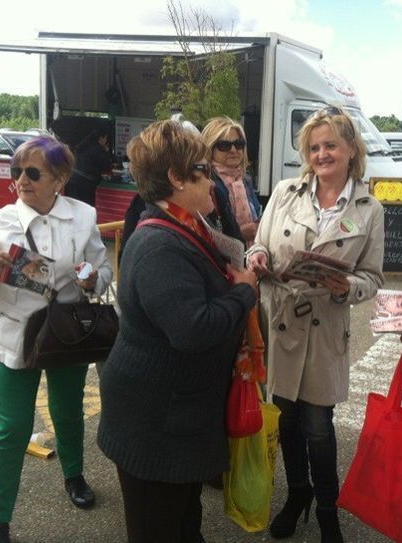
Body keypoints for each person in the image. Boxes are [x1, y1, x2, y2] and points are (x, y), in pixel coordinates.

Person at [96, 120, 258, 543]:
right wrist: (243, 295)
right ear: (175, 178)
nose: (212, 180)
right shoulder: (160, 245)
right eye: (203, 170)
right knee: (158, 529)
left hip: (177, 419)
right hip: (153, 425)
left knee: (185, 523)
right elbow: (192, 329)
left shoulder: (187, 224)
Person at [0, 136, 113, 543]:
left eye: (33, 173)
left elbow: (102, 273)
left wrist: (92, 276)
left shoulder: (83, 217)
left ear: (60, 178)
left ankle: (74, 475)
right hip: (14, 335)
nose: (21, 182)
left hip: (66, 333)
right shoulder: (1, 221)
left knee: (68, 412)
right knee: (13, 428)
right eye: (16, 173)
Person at [247, 106, 385, 542]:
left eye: (330, 145)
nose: (321, 154)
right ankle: (297, 494)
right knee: (286, 419)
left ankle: (327, 508)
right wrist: (258, 257)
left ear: (350, 149)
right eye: (314, 147)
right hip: (283, 320)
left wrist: (346, 287)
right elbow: (257, 244)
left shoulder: (369, 208)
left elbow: (373, 278)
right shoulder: (287, 192)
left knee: (318, 428)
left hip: (326, 327)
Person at [202, 116, 261, 246]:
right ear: (210, 149)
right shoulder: (206, 183)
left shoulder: (245, 179)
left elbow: (257, 213)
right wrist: (240, 233)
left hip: (252, 255)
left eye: (239, 144)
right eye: (224, 145)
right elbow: (207, 235)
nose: (233, 150)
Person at [66, 128, 112, 206]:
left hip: (72, 180)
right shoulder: (99, 149)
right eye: (105, 138)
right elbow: (106, 167)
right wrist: (106, 152)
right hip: (86, 184)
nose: (105, 141)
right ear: (101, 138)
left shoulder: (83, 145)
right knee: (85, 208)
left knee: (72, 207)